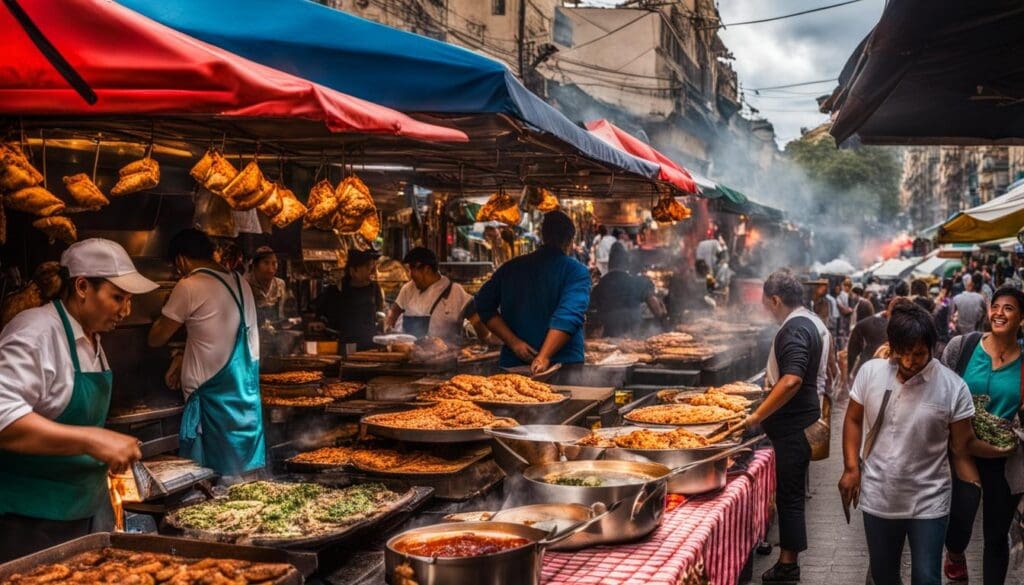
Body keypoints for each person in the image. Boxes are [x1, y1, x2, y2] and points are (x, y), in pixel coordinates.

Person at [0, 239, 157, 561]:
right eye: (118, 297)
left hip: (83, 511)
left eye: (128, 300)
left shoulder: (90, 338)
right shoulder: (36, 332)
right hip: (31, 520)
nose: (126, 311)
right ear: (82, 286)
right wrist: (91, 439)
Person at [839, 300, 995, 585]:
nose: (911, 362)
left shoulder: (952, 387)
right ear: (892, 346)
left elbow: (962, 447)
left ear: (933, 348)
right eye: (903, 354)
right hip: (878, 498)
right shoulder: (871, 372)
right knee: (884, 576)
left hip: (929, 501)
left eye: (919, 354)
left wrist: (976, 485)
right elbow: (852, 420)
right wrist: (851, 467)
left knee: (926, 577)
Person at [149, 229, 265, 476]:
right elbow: (214, 335)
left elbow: (156, 338)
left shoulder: (189, 284)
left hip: (213, 402)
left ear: (180, 260)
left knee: (210, 482)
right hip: (245, 397)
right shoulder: (240, 282)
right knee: (242, 479)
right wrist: (181, 356)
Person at [739, 271, 829, 583]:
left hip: (793, 429)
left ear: (776, 300)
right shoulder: (808, 322)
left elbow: (792, 379)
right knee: (790, 494)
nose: (766, 310)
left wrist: (755, 416)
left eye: (766, 304)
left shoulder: (793, 329)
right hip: (799, 425)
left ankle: (788, 565)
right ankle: (788, 558)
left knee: (789, 496)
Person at [942, 287, 1024, 584]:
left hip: (1005, 455)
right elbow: (939, 387)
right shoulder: (962, 346)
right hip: (962, 449)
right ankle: (954, 553)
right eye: (996, 306)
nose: (999, 313)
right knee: (962, 514)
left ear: (1021, 319)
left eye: (1009, 308)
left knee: (996, 534)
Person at [475, 210, 590, 374]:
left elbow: (483, 304)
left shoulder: (510, 268)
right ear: (570, 241)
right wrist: (543, 357)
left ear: (543, 236)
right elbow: (569, 316)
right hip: (563, 367)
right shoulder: (576, 271)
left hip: (515, 364)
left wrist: (514, 343)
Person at [384, 247, 490, 342]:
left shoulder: (455, 291)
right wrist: (388, 329)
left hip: (445, 360)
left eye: (412, 268)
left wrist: (486, 341)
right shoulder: (408, 289)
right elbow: (394, 312)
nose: (410, 275)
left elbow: (477, 321)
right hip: (409, 355)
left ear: (427, 269)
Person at [314, 248, 384, 351]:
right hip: (349, 346)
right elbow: (320, 314)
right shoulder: (337, 289)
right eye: (368, 266)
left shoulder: (375, 288)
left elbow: (379, 312)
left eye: (373, 266)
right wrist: (321, 322)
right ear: (353, 271)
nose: (373, 271)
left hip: (371, 345)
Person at [591, 243, 666, 337]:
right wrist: (662, 315)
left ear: (610, 264)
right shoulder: (637, 282)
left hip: (609, 336)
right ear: (626, 264)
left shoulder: (600, 286)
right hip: (634, 332)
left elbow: (590, 310)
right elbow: (656, 309)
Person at [246, 246, 289, 324]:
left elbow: (283, 315)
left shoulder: (280, 284)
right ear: (255, 265)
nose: (271, 268)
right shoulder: (246, 284)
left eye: (274, 263)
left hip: (275, 331)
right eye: (266, 263)